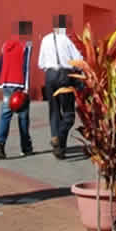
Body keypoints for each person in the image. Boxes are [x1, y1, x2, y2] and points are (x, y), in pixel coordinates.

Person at [38, 14, 83, 159]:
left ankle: (58, 146)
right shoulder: (66, 40)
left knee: (54, 111)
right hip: (64, 75)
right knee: (69, 114)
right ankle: (60, 136)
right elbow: (78, 60)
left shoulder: (45, 39)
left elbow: (41, 63)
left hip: (50, 76)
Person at [0, 20, 34, 160]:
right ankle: (26, 147)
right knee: (23, 116)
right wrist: (26, 88)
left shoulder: (5, 45)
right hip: (19, 85)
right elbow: (26, 67)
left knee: (5, 114)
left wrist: (2, 82)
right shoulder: (26, 45)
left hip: (6, 84)